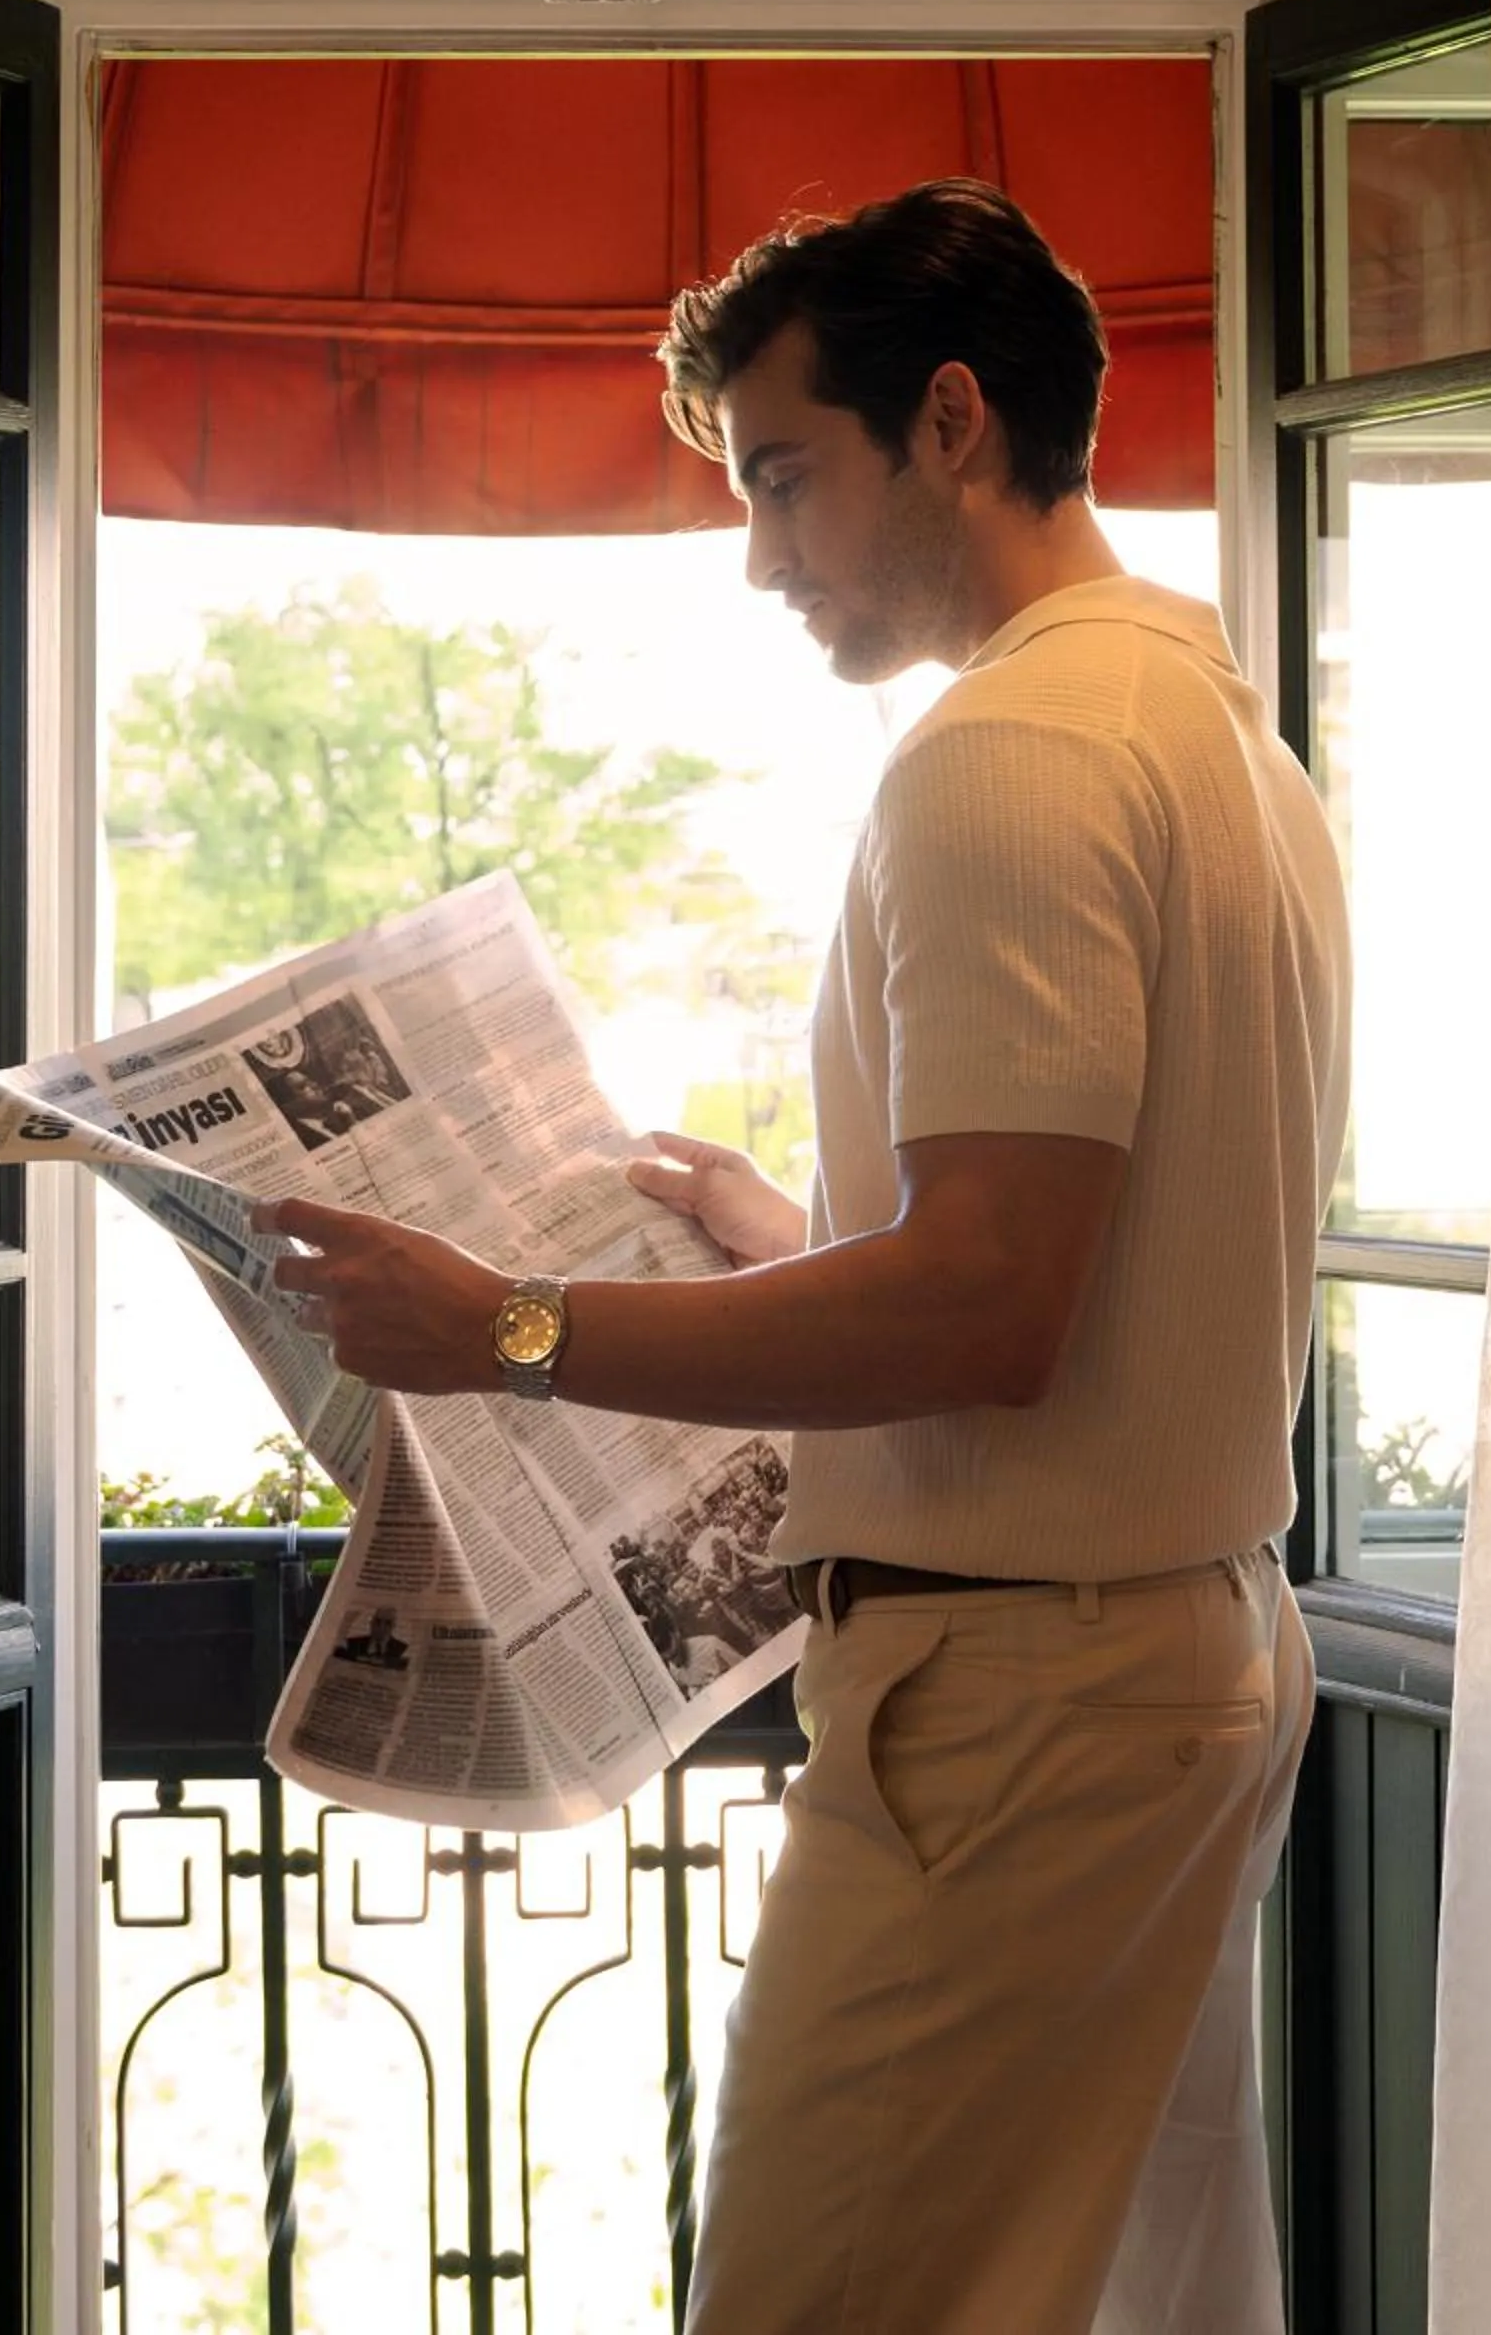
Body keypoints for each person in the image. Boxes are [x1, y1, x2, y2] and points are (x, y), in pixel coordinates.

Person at [258, 179, 1351, 2335]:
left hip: (1020, 1706)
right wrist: (812, 1242)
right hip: (1183, 1657)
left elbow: (989, 1311)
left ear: (952, 421)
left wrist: (505, 1328)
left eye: (781, 476)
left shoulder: (1011, 753)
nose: (759, 555)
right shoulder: (1221, 735)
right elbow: (1079, 1252)